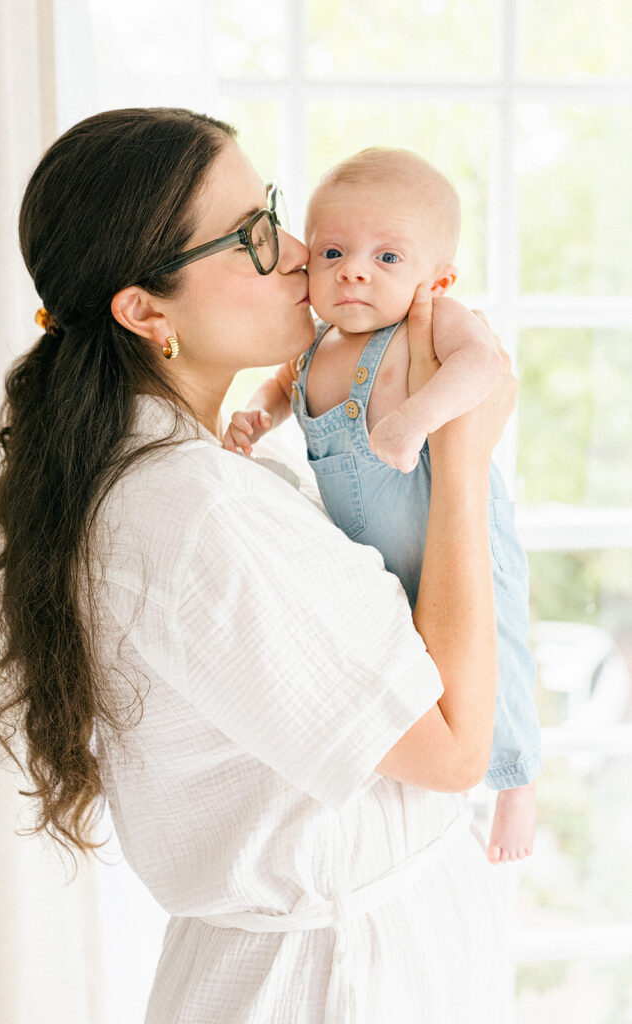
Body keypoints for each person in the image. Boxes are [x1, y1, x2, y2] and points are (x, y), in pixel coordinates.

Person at [0, 108, 517, 1023]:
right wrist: (460, 458)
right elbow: (457, 750)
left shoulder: (165, 472)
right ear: (144, 312)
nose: (304, 252)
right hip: (337, 984)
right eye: (252, 238)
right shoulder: (196, 510)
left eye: (272, 212)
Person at [224, 147, 542, 865]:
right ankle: (429, 794)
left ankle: (517, 780)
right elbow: (280, 386)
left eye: (387, 257)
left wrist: (413, 419)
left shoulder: (428, 327)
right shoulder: (313, 346)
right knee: (415, 666)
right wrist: (256, 413)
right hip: (378, 564)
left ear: (437, 278)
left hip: (455, 537)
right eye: (332, 251)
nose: (353, 270)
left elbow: (485, 368)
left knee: (499, 650)